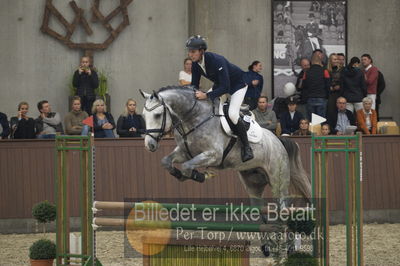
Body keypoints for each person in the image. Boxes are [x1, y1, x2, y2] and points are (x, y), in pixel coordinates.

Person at [187, 35, 253, 162]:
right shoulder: (196, 65)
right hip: (221, 85)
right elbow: (194, 85)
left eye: (193, 51)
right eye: (189, 51)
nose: (190, 54)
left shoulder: (216, 60)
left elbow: (226, 87)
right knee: (207, 108)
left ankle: (247, 147)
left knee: (232, 114)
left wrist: (206, 95)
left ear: (201, 51)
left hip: (237, 85)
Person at [302, 53, 330, 120]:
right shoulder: (325, 71)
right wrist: (327, 97)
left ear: (311, 62)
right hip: (321, 98)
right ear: (320, 61)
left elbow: (304, 85)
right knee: (320, 121)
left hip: (310, 99)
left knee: (311, 122)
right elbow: (328, 85)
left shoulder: (306, 72)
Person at [326, 53, 342, 121]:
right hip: (330, 95)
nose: (336, 61)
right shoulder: (326, 70)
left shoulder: (342, 70)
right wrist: (331, 88)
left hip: (340, 94)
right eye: (334, 59)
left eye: (337, 59)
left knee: (340, 112)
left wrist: (340, 86)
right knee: (331, 112)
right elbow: (325, 83)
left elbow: (345, 82)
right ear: (330, 61)